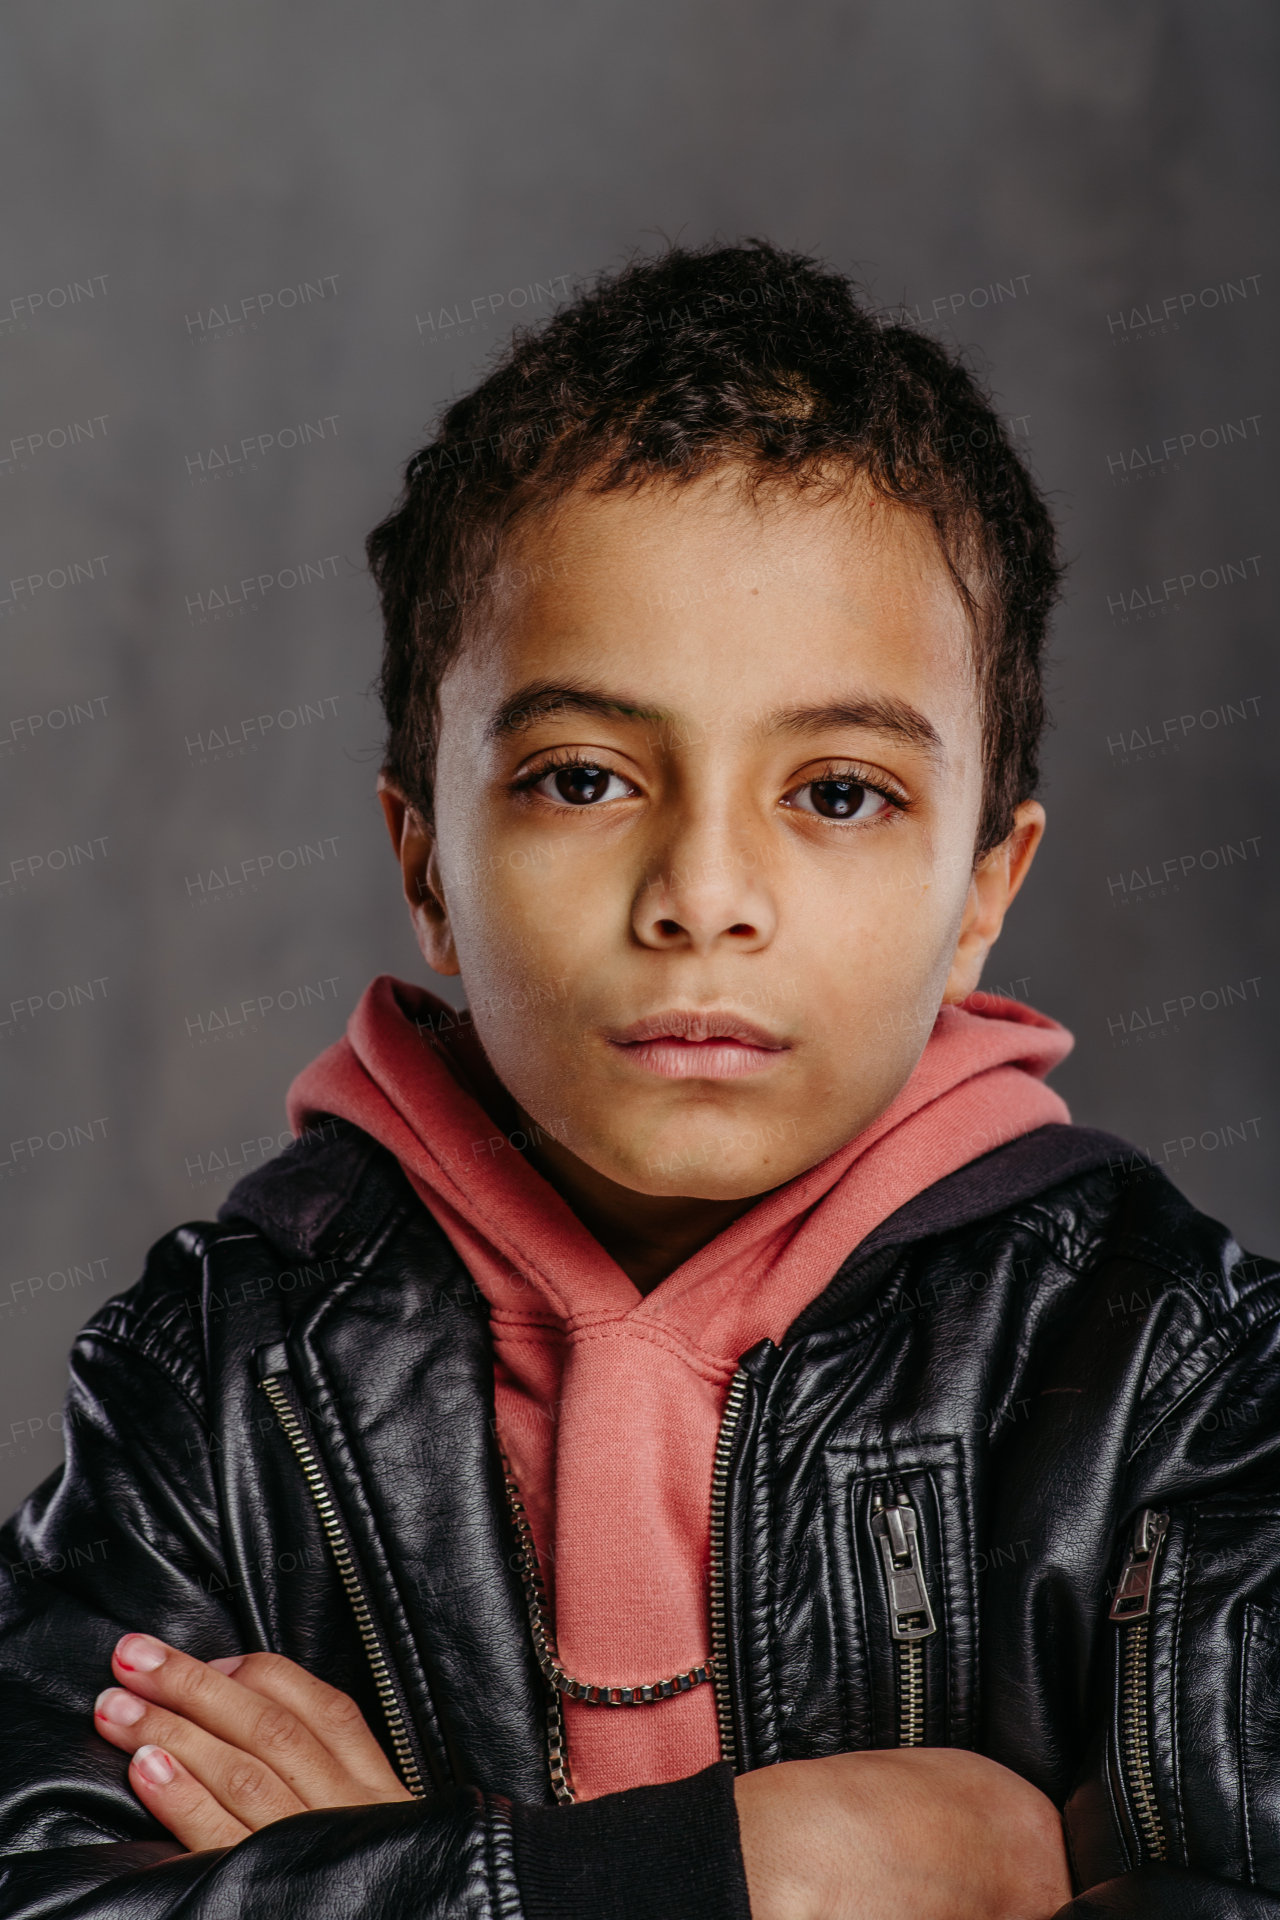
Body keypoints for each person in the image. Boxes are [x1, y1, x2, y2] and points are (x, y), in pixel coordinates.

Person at [1, 241, 1276, 1920]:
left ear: (985, 890)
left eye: (836, 794)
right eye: (586, 776)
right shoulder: (223, 1386)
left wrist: (362, 1881)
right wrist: (751, 1874)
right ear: (428, 861)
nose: (702, 893)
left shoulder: (1160, 1374)